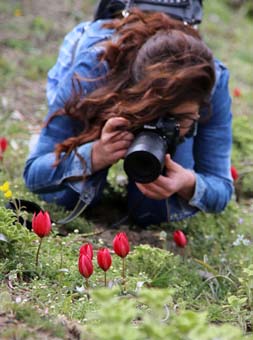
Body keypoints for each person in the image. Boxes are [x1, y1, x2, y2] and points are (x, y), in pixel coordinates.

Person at [23, 2, 233, 227]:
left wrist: (187, 183)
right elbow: (34, 174)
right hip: (109, 84)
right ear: (137, 98)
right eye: (154, 112)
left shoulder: (211, 83)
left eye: (180, 117)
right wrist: (93, 155)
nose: (161, 123)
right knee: (66, 197)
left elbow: (220, 186)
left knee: (153, 210)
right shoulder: (93, 69)